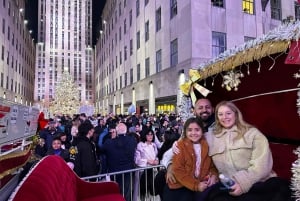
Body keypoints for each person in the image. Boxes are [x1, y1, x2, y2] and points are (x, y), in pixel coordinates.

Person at [204, 101, 291, 201]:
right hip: (229, 187)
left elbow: (262, 166)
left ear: (236, 114)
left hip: (259, 183)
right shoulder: (210, 137)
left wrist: (242, 183)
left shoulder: (253, 134)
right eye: (220, 114)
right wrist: (213, 176)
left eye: (228, 113)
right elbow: (194, 142)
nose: (225, 117)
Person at [163, 117, 218, 201]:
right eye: (190, 130)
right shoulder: (180, 145)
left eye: (197, 129)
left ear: (202, 131)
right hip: (180, 185)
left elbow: (211, 166)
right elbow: (178, 170)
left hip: (198, 184)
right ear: (185, 131)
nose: (193, 133)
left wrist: (214, 175)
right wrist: (196, 185)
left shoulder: (206, 145)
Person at [102, 122, 137, 201]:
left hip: (114, 172)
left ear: (115, 131)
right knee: (126, 195)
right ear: (126, 131)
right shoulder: (132, 140)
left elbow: (102, 149)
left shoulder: (109, 142)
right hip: (127, 172)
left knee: (116, 195)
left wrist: (112, 137)